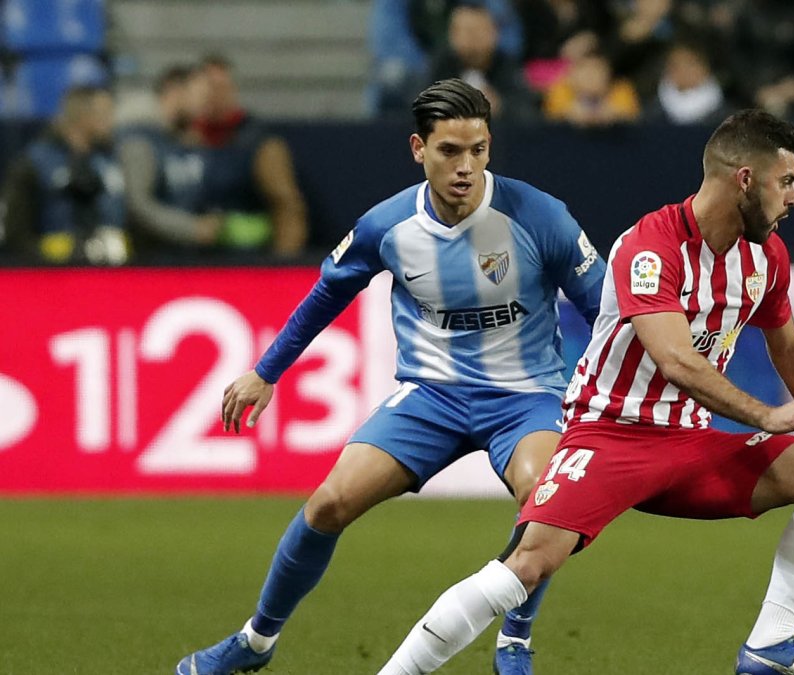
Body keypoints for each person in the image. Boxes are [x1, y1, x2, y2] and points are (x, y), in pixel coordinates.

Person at [374, 109, 794, 675]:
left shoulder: (766, 255)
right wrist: (767, 415)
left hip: (692, 445)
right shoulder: (650, 246)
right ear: (746, 180)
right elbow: (676, 359)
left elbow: (789, 347)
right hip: (611, 434)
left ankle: (768, 649)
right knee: (529, 563)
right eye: (787, 181)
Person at [174, 79, 607, 675]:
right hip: (430, 397)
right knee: (329, 503)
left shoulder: (539, 216)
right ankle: (255, 642)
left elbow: (609, 311)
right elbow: (327, 295)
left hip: (525, 397)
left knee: (544, 501)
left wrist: (613, 394)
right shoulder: (387, 226)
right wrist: (264, 371)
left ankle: (513, 641)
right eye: (450, 150)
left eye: (478, 150)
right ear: (417, 149)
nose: (466, 166)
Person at [193, 54, 308, 257]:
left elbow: (287, 208)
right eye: (208, 87)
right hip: (187, 262)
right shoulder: (183, 139)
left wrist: (281, 265)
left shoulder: (260, 144)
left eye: (221, 88)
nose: (214, 95)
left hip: (247, 262)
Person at [1, 85, 127, 265]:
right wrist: (44, 264)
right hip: (53, 274)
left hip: (118, 270)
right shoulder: (34, 162)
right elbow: (15, 230)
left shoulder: (112, 160)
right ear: (83, 116)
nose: (111, 120)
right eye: (105, 113)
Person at [117, 64, 223, 254]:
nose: (204, 106)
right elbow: (138, 205)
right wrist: (192, 228)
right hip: (152, 264)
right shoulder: (139, 138)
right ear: (175, 89)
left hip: (186, 259)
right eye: (200, 95)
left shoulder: (183, 139)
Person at [428, 4, 537, 122]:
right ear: (452, 35)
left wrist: (500, 107)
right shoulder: (440, 65)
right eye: (467, 32)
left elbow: (527, 111)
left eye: (479, 31)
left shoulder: (507, 66)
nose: (473, 39)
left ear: (495, 33)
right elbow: (416, 107)